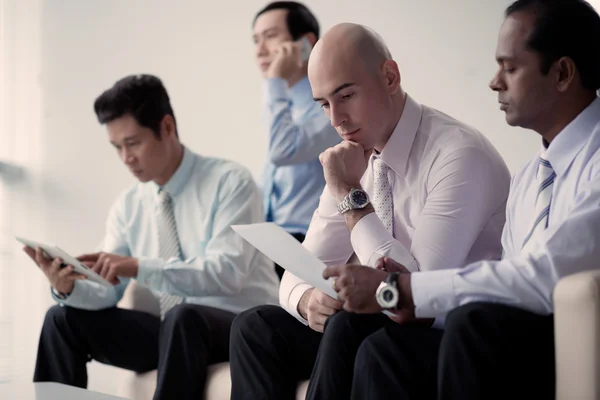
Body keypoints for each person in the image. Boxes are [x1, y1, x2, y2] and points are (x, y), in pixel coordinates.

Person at [322, 0, 600, 399]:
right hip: (511, 341)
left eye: (510, 67)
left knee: (474, 325)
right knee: (382, 348)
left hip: (569, 347)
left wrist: (400, 289)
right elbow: (506, 285)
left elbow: (542, 278)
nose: (494, 82)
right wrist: (404, 294)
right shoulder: (529, 178)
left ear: (562, 73)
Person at [229, 21, 512, 400]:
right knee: (254, 327)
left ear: (390, 77)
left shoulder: (457, 154)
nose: (335, 119)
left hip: (444, 335)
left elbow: (413, 291)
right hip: (373, 326)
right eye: (324, 104)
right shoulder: (352, 156)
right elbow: (298, 269)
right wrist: (308, 300)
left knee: (349, 326)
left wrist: (349, 193)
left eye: (345, 96)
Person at [25, 74, 279, 400]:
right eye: (117, 147)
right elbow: (107, 290)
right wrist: (69, 286)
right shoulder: (129, 205)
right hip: (174, 334)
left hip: (235, 328)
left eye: (133, 143)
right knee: (61, 318)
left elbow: (226, 273)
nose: (126, 158)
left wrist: (137, 266)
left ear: (167, 127)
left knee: (184, 316)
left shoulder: (231, 183)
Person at [253, 1, 341, 278]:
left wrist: (275, 79)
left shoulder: (330, 105)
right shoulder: (283, 103)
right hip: (275, 245)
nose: (259, 50)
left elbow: (282, 151)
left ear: (305, 42)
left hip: (309, 246)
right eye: (255, 40)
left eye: (270, 36)